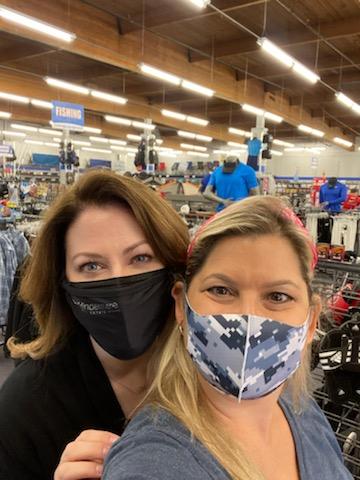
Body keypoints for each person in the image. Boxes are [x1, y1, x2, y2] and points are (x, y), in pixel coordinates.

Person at [103, 196, 352, 480]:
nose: (249, 317)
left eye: (278, 296)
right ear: (181, 307)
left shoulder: (303, 412)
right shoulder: (152, 462)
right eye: (221, 290)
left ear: (310, 322)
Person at [0, 170, 189, 480]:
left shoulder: (212, 380)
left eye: (140, 258)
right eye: (91, 266)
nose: (116, 279)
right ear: (63, 284)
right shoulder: (26, 409)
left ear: (173, 268)